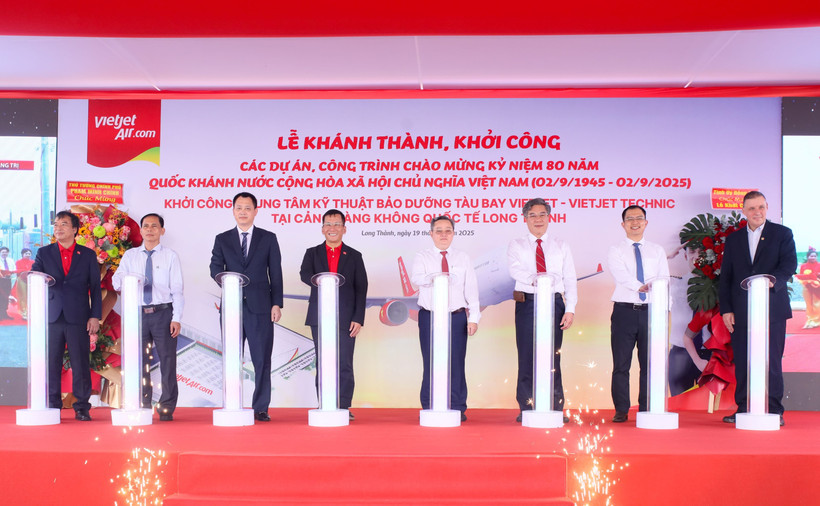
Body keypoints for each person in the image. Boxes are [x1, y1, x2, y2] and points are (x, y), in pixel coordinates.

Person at [720, 191, 796, 426]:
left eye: (761, 207)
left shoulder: (782, 234)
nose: (757, 212)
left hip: (772, 309)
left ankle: (774, 409)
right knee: (742, 360)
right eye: (752, 208)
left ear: (766, 208)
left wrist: (774, 281)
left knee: (771, 360)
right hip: (742, 311)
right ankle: (742, 407)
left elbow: (789, 264)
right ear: (744, 211)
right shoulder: (733, 239)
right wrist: (726, 309)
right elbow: (727, 277)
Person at [210, 192, 283, 422]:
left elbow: (276, 273)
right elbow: (214, 267)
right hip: (231, 307)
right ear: (233, 210)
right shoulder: (222, 239)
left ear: (255, 211)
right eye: (238, 207)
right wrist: (226, 280)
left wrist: (277, 303)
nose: (242, 211)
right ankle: (232, 402)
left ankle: (261, 406)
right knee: (232, 358)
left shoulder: (268, 238)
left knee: (262, 358)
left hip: (260, 307)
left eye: (247, 208)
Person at [508, 198, 576, 423]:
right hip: (528, 302)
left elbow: (570, 278)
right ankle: (526, 407)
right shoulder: (516, 245)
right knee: (527, 355)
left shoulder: (561, 244)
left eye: (542, 214)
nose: (538, 219)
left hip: (554, 303)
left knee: (553, 356)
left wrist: (570, 308)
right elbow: (515, 270)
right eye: (533, 215)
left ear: (549, 217)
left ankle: (556, 407)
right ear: (525, 218)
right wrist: (537, 280)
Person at [31, 211, 102, 421]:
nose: (58, 228)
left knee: (80, 362)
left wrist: (95, 316)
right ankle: (53, 405)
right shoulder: (44, 253)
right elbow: (34, 277)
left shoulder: (87, 255)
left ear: (74, 229)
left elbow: (96, 289)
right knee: (52, 362)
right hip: (52, 315)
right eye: (55, 225)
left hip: (78, 315)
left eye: (63, 224)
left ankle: (82, 407)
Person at [112, 213, 184, 421]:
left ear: (162, 230)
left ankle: (166, 407)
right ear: (141, 231)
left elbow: (177, 289)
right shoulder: (131, 256)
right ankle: (143, 404)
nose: (150, 229)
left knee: (168, 361)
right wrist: (131, 280)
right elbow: (117, 281)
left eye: (154, 226)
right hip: (137, 315)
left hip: (163, 313)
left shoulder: (170, 256)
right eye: (146, 226)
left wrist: (176, 317)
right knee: (138, 361)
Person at [299, 209, 368, 420]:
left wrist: (358, 318)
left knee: (344, 362)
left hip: (346, 318)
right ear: (322, 229)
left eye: (337, 224)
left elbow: (361, 288)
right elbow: (304, 274)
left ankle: (344, 406)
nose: (332, 228)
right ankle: (326, 403)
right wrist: (319, 279)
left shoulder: (355, 256)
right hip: (319, 316)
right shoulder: (312, 253)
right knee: (323, 360)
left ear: (344, 229)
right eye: (328, 224)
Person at [411, 215, 480, 422]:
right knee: (431, 360)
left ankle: (457, 406)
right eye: (438, 230)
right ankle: (430, 404)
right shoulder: (422, 257)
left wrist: (474, 317)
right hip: (430, 316)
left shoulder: (463, 257)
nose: (443, 234)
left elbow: (472, 289)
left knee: (457, 361)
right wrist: (436, 277)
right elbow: (415, 279)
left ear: (453, 233)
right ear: (431, 234)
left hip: (456, 317)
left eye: (447, 230)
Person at [607, 205, 669, 423]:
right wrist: (639, 287)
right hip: (624, 310)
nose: (635, 222)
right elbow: (621, 275)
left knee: (649, 364)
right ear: (623, 224)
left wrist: (664, 308)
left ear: (646, 222)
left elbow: (664, 279)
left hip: (651, 312)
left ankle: (646, 407)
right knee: (621, 364)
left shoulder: (657, 250)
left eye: (639, 218)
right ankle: (621, 409)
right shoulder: (616, 250)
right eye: (630, 219)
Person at [797, 247, 820, 329]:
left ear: (816, 257)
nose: (813, 258)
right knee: (809, 304)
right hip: (807, 287)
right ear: (807, 257)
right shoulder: (803, 266)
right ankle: (810, 320)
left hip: (817, 287)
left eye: (814, 256)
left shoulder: (819, 265)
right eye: (811, 256)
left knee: (816, 304)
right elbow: (801, 275)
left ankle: (816, 320)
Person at [14, 248, 35, 320]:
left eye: (29, 254)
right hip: (22, 280)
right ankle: (24, 312)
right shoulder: (18, 262)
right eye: (26, 253)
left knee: (31, 296)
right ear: (22, 254)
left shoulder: (33, 262)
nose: (28, 255)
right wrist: (26, 270)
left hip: (31, 280)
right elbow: (17, 270)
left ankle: (31, 312)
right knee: (23, 296)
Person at [0, 246, 15, 320]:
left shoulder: (10, 260)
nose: (4, 253)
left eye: (6, 252)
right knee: (0, 297)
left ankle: (4, 313)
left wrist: (10, 273)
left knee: (6, 297)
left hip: (8, 280)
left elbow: (14, 269)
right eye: (3, 252)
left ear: (8, 253)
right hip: (0, 281)